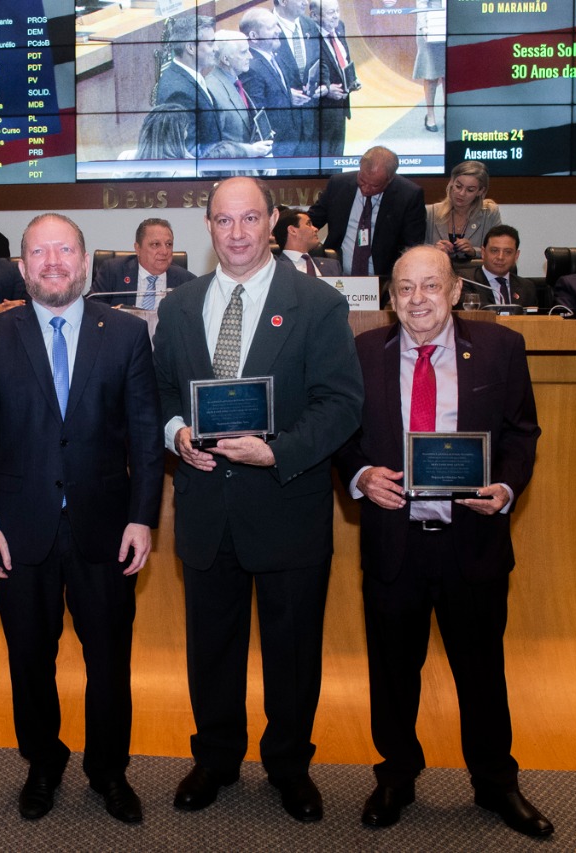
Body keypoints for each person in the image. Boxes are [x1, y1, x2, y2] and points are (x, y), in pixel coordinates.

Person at [153, 177, 363, 819]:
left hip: (285, 503)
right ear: (209, 228)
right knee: (210, 647)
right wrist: (177, 432)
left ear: (273, 221)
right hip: (206, 507)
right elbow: (160, 393)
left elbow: (342, 404)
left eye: (250, 219)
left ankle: (289, 766)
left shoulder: (317, 303)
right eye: (223, 221)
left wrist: (278, 451)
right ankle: (214, 758)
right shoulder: (180, 306)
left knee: (292, 651)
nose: (237, 233)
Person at [335, 245, 552, 838]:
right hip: (394, 544)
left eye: (431, 286)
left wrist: (506, 487)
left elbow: (521, 433)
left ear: (456, 291)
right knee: (392, 671)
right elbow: (343, 436)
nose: (417, 300)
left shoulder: (502, 348)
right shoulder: (361, 354)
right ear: (391, 298)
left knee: (481, 671)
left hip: (472, 544)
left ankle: (495, 783)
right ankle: (396, 775)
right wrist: (360, 476)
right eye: (405, 289)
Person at [0, 213, 165, 824]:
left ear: (84, 262)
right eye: (39, 252)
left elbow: (147, 436)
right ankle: (42, 763)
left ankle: (109, 770)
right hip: (19, 533)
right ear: (21, 266)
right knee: (29, 659)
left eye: (64, 250)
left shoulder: (126, 334)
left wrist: (142, 517)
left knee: (108, 661)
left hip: (106, 530)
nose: (52, 261)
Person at [308, 145, 426, 279]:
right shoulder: (338, 184)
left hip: (383, 279)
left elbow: (412, 245)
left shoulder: (408, 195)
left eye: (374, 185)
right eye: (362, 181)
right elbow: (313, 219)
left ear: (390, 179)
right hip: (337, 274)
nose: (366, 189)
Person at [204, 31, 274, 172]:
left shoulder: (236, 81)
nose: (250, 56)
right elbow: (214, 146)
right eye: (243, 52)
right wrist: (251, 151)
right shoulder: (211, 90)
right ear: (226, 59)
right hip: (231, 174)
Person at [88, 217, 197, 307]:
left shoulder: (187, 282)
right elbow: (92, 308)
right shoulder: (112, 272)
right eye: (155, 244)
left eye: (169, 244)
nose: (164, 251)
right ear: (138, 248)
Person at [155, 14, 221, 157]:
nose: (216, 48)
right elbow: (189, 151)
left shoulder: (189, 77)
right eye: (210, 43)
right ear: (191, 48)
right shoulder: (179, 92)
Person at [239, 8, 298, 162]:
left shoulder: (273, 56)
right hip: (276, 151)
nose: (278, 31)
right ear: (254, 36)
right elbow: (258, 113)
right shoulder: (250, 69)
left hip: (290, 144)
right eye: (272, 27)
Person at [271, 0, 323, 168]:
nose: (306, 2)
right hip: (282, 127)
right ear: (283, 1)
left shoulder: (309, 24)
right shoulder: (265, 28)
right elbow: (257, 76)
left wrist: (325, 84)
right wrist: (286, 95)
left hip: (310, 118)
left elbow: (320, 60)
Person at [425, 161, 501, 263]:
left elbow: (499, 250)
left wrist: (474, 251)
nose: (461, 193)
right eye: (458, 186)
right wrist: (434, 249)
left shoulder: (490, 213)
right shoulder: (430, 212)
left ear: (480, 191)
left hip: (475, 276)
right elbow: (413, 248)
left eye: (470, 190)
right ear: (451, 182)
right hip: (437, 274)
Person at [457, 225, 537, 308]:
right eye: (494, 251)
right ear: (483, 252)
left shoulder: (527, 287)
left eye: (508, 252)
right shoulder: (465, 281)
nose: (500, 257)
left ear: (516, 256)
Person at [317, 0, 357, 161]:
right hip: (323, 110)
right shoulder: (309, 35)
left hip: (342, 104)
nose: (335, 16)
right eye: (330, 13)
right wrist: (326, 88)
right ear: (316, 16)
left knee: (337, 156)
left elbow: (345, 58)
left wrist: (352, 79)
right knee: (324, 157)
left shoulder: (339, 26)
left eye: (337, 11)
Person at [121, 104, 195, 178]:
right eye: (184, 129)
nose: (186, 134)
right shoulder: (190, 168)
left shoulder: (125, 158)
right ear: (176, 136)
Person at [278, 207, 341, 276]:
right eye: (308, 224)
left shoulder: (332, 266)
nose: (316, 229)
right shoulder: (275, 268)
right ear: (293, 231)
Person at [414, 0, 446, 132]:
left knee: (450, 75)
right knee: (431, 73)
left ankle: (449, 113)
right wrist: (424, 27)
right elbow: (422, 4)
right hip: (431, 25)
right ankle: (430, 116)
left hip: (451, 24)